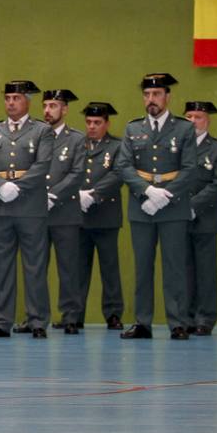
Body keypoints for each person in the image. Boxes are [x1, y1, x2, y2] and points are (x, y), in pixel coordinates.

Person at [116, 73, 199, 341]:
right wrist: (147, 191)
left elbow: (190, 168)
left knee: (174, 266)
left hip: (173, 207)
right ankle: (143, 322)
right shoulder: (133, 128)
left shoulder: (184, 128)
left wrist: (166, 195)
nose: (151, 100)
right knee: (142, 266)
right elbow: (124, 166)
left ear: (167, 97)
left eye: (157, 94)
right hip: (142, 206)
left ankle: (177, 322)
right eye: (147, 95)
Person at [0, 80, 53, 339]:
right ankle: (1, 321)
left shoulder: (42, 131)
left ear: (27, 101)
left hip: (30, 206)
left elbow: (42, 165)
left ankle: (38, 321)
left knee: (34, 266)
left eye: (16, 98)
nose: (10, 103)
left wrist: (18, 187)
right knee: (1, 267)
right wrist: (0, 186)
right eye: (8, 98)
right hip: (0, 205)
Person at [77, 102, 125, 330]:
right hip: (79, 215)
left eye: (97, 123)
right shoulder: (77, 144)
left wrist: (94, 194)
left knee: (109, 268)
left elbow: (118, 173)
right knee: (77, 269)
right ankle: (74, 314)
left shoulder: (117, 146)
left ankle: (113, 314)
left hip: (105, 214)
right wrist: (77, 194)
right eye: (88, 122)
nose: (92, 127)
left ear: (107, 123)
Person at [41, 89, 86, 335]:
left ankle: (71, 316)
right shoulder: (36, 134)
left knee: (68, 267)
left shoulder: (76, 139)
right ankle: (36, 316)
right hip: (36, 213)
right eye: (46, 105)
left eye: (54, 105)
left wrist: (53, 195)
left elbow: (77, 173)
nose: (48, 110)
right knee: (36, 267)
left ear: (64, 109)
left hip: (65, 212)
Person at [184, 100, 217, 336]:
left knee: (205, 271)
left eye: (197, 117)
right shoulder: (177, 147)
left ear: (207, 120)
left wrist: (193, 206)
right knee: (183, 269)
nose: (192, 121)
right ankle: (187, 316)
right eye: (189, 116)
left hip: (205, 218)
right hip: (178, 217)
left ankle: (205, 318)